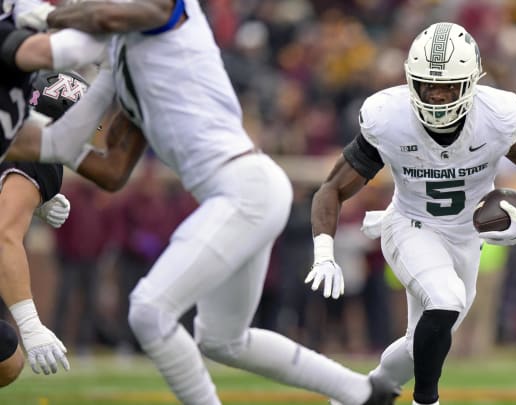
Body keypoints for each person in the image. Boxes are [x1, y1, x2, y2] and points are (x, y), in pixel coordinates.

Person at [25, 0, 401, 404]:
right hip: (244, 191)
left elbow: (106, 17)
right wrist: (21, 129)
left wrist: (46, 17)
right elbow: (107, 167)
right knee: (223, 340)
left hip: (244, 188)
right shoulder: (121, 59)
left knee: (149, 311)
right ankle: (363, 392)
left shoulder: (162, 11)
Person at [305, 22, 516, 405]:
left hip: (468, 237)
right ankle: (427, 401)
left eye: (448, 86)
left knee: (423, 337)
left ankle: (366, 392)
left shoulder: (496, 116)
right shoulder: (389, 118)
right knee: (446, 300)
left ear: (471, 82)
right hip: (410, 226)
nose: (437, 96)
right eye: (427, 85)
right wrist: (323, 252)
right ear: (410, 81)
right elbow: (332, 188)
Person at [0, 70, 93, 385]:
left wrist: (32, 201)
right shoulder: (38, 151)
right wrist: (30, 324)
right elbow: (4, 236)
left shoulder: (9, 120)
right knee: (8, 361)